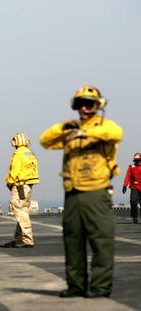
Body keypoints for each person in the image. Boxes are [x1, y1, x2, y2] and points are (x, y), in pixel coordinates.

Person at [39, 85, 123, 298]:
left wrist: (85, 131)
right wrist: (62, 127)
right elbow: (45, 141)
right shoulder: (70, 131)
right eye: (81, 104)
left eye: (89, 104)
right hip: (72, 192)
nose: (84, 108)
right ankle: (76, 286)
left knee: (101, 241)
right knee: (72, 241)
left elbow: (116, 133)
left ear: (98, 105)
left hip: (96, 191)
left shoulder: (104, 126)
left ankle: (100, 287)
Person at [4, 133, 39, 248]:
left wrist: (9, 182)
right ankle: (19, 239)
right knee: (22, 210)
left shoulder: (18, 154)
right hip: (28, 185)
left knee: (20, 212)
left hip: (19, 186)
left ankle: (28, 240)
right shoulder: (30, 153)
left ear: (16, 142)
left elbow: (14, 172)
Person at [122, 153, 141, 223]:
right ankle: (134, 216)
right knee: (133, 201)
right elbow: (127, 176)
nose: (138, 162)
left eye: (139, 160)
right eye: (137, 160)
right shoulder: (131, 167)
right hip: (134, 187)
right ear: (135, 160)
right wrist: (125, 185)